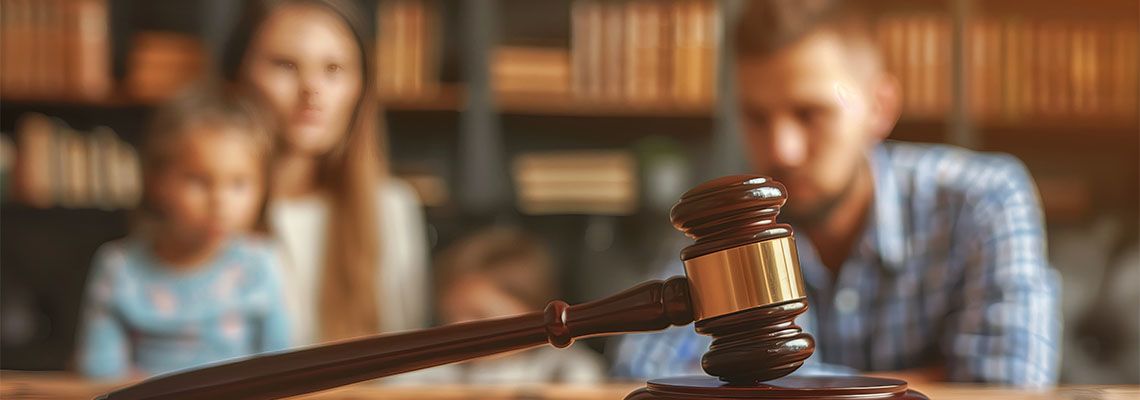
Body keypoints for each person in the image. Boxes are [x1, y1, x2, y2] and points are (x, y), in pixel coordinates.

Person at [611, 0, 1060, 388]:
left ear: (879, 108)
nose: (781, 149)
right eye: (757, 117)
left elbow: (1006, 386)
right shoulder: (725, 224)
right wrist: (930, 380)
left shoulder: (983, 200)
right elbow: (640, 370)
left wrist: (761, 383)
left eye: (810, 113)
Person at [222, 0, 429, 344]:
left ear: (361, 87)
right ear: (236, 78)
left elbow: (407, 361)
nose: (311, 90)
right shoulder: (201, 208)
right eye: (286, 65)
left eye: (333, 69)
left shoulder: (391, 209)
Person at [77, 84, 289, 379]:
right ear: (157, 182)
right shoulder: (119, 268)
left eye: (239, 183)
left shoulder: (259, 264)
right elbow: (98, 373)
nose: (220, 201)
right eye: (199, 181)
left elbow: (283, 371)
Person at [402, 227, 605, 385]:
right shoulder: (435, 372)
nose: (458, 328)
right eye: (450, 316)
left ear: (535, 313)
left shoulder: (568, 370)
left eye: (480, 315)